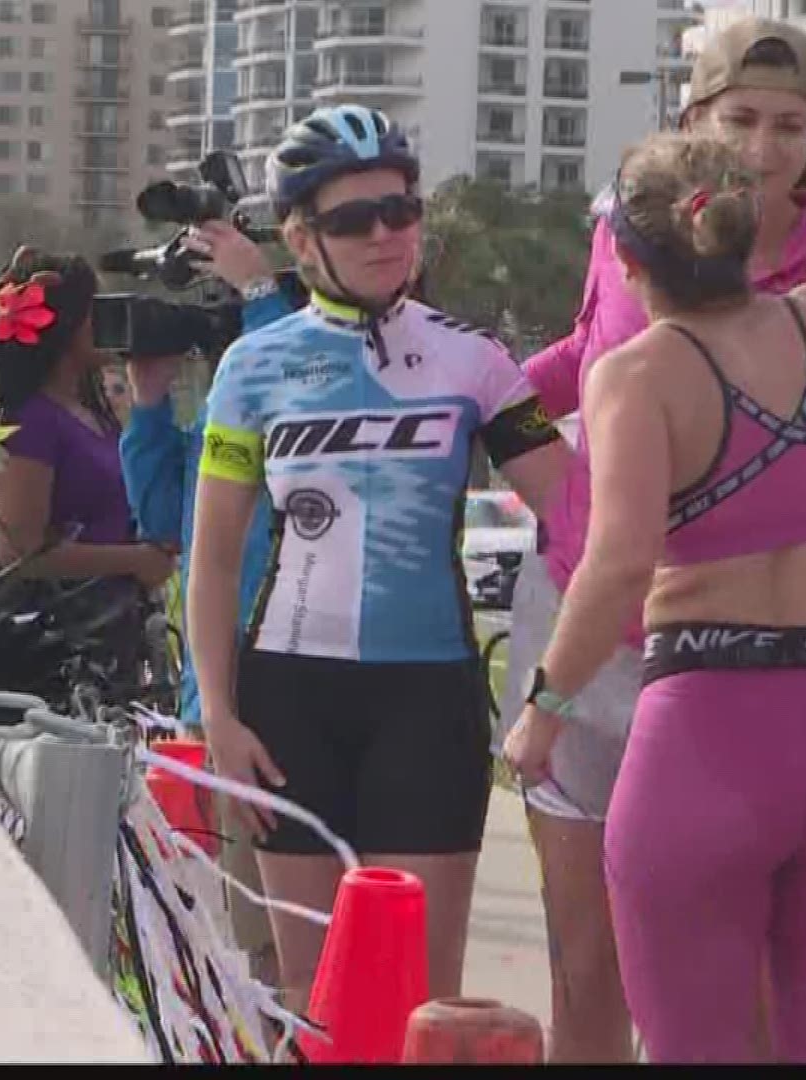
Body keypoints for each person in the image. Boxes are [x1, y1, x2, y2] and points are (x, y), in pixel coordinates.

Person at [501, 16, 806, 1060]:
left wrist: (543, 712)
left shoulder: (638, 373)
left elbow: (619, 563)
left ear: (627, 247)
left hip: (706, 723)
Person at [187, 104, 568, 1010]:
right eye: (357, 218)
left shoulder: (472, 360)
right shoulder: (255, 364)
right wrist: (217, 713)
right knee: (316, 1002)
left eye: (403, 209)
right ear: (300, 237)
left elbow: (581, 512)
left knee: (422, 1008)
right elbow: (210, 559)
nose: (389, 233)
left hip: (425, 698)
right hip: (287, 701)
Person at [119, 217, 298, 986]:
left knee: (283, 927)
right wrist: (149, 405)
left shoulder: (302, 395)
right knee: (235, 918)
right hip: (216, 693)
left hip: (290, 674)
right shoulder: (212, 431)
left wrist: (259, 288)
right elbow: (161, 520)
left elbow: (301, 371)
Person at [0, 249, 175, 591]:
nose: (111, 318)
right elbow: (17, 550)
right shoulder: (31, 420)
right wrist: (134, 560)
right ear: (65, 321)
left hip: (118, 618)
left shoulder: (92, 411)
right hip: (64, 625)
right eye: (97, 307)